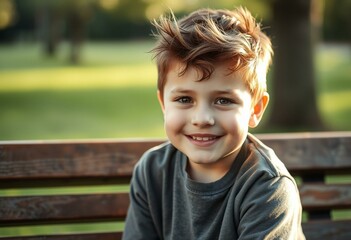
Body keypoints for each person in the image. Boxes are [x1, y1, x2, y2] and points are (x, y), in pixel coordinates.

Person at [123, 6, 305, 240]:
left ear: (255, 109)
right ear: (164, 104)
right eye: (184, 99)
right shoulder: (152, 172)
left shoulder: (267, 189)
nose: (201, 119)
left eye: (223, 100)